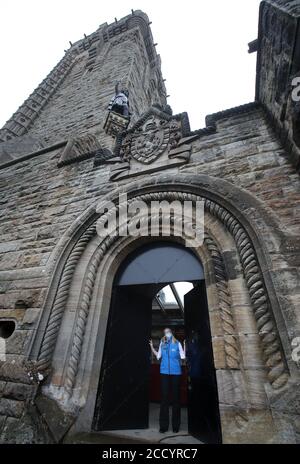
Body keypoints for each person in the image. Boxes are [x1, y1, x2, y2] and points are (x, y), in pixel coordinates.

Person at [149, 328, 186, 433]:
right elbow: (158, 356)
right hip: (164, 373)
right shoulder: (162, 343)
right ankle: (163, 426)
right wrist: (152, 347)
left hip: (176, 374)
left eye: (168, 331)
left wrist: (185, 347)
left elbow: (183, 357)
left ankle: (176, 426)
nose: (167, 333)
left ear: (171, 333)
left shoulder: (177, 343)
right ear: (164, 334)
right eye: (165, 332)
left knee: (176, 400)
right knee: (164, 399)